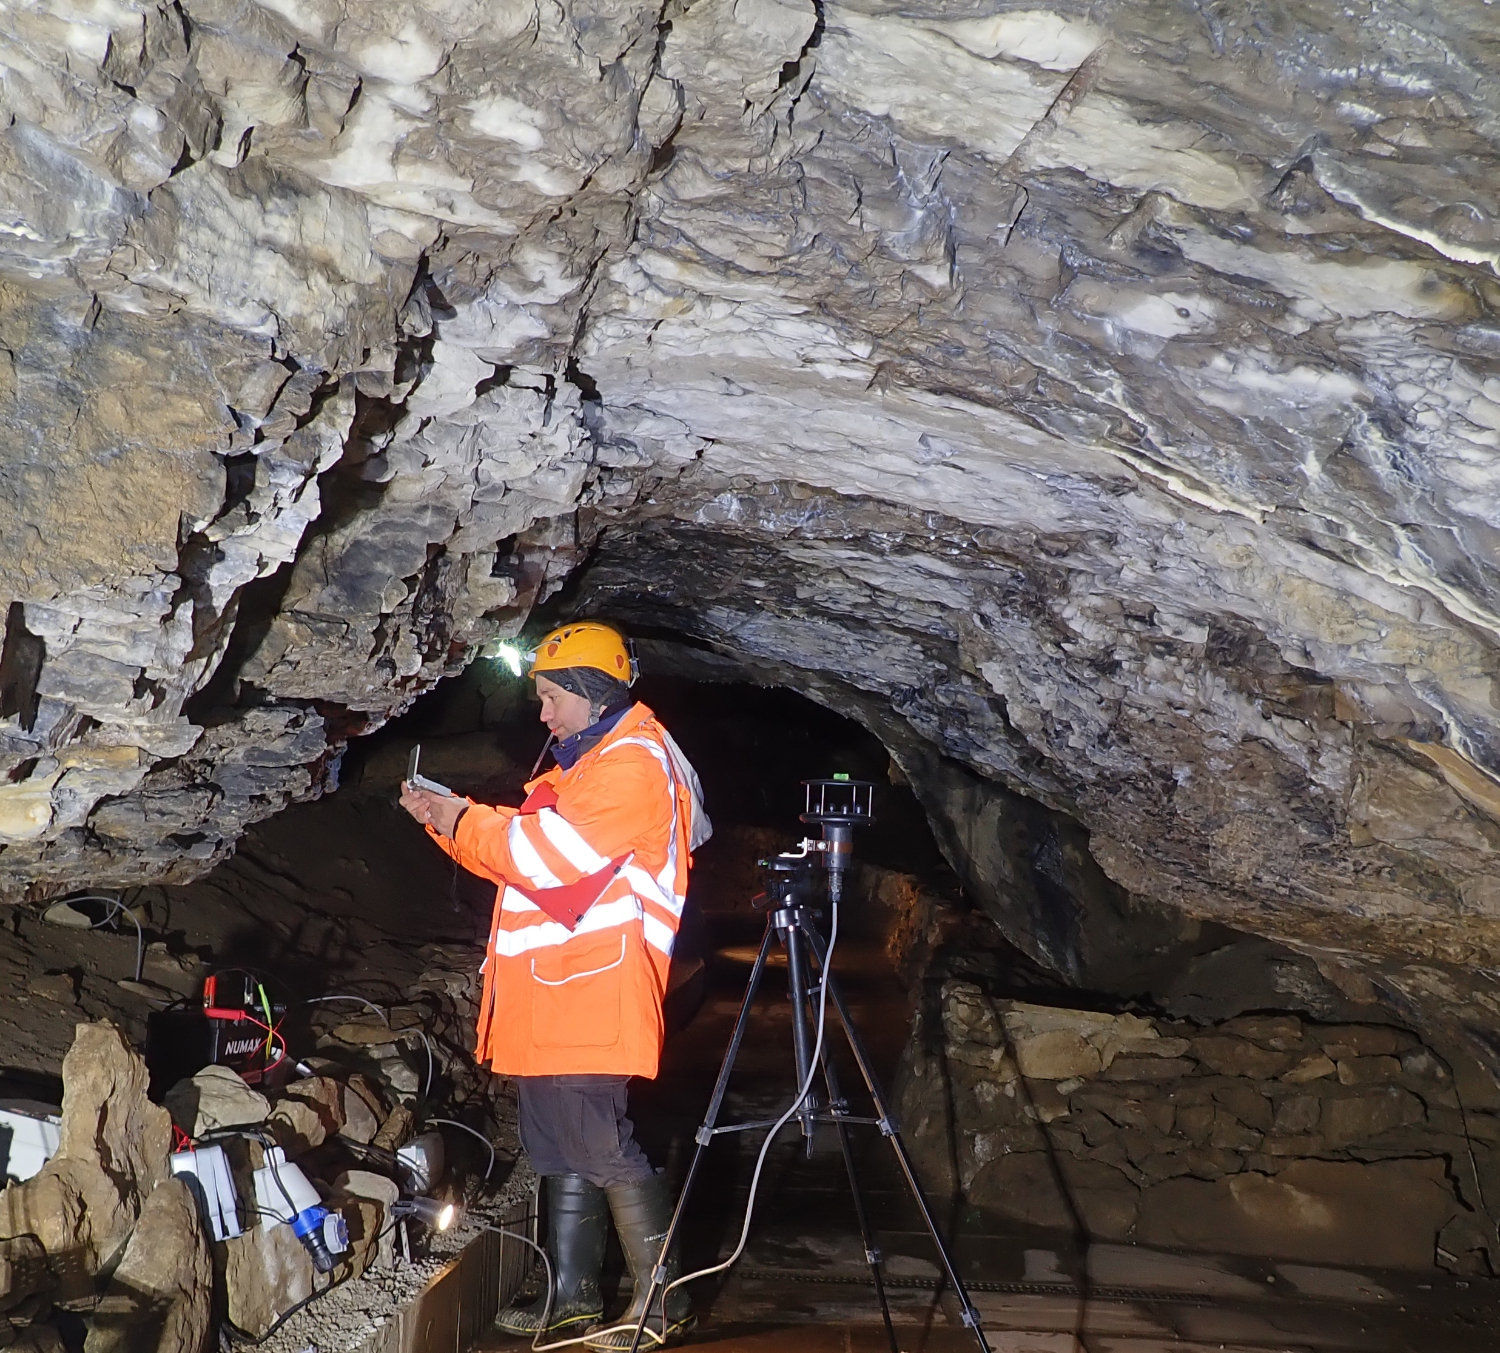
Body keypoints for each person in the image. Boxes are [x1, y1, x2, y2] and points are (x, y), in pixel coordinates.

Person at [399, 620, 707, 1350]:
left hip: (592, 995)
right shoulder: (581, 768)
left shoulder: (632, 763)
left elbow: (548, 857)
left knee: (602, 1143)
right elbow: (523, 858)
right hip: (553, 996)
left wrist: (461, 817)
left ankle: (664, 1302)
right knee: (557, 1147)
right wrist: (447, 822)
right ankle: (573, 1299)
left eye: (549, 697)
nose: (542, 713)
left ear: (589, 691)